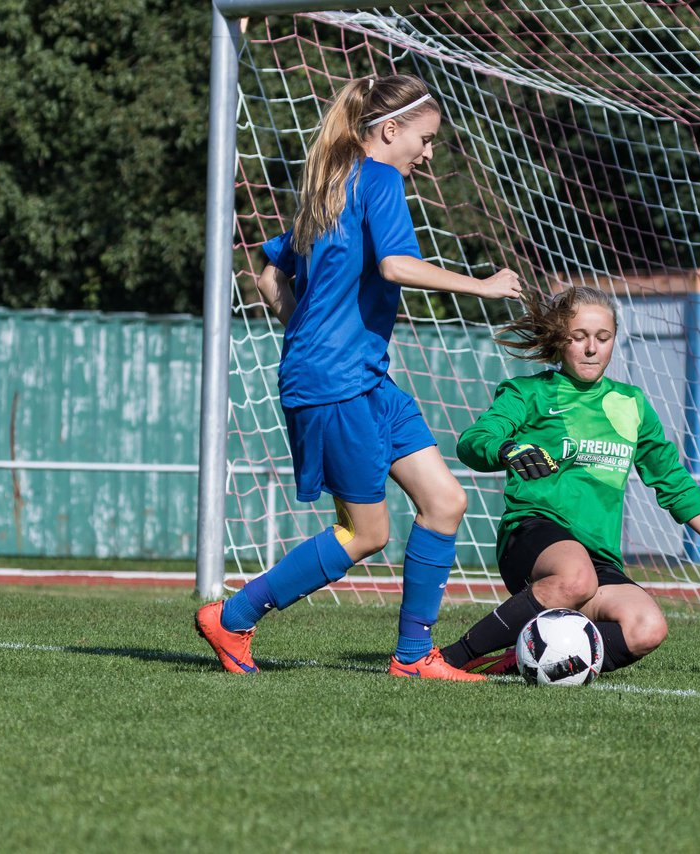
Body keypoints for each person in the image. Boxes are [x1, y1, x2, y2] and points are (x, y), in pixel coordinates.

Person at [195, 74, 521, 681]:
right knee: (365, 531)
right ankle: (234, 617)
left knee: (445, 502)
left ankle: (414, 657)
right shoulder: (378, 179)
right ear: (390, 129)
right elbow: (395, 264)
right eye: (424, 140)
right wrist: (482, 285)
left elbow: (268, 272)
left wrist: (305, 330)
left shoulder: (332, 183)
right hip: (337, 383)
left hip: (364, 377)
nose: (427, 154)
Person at [438, 285, 700, 676]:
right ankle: (448, 659)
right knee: (575, 577)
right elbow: (473, 443)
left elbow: (673, 481)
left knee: (647, 627)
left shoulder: (632, 404)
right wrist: (507, 449)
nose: (592, 348)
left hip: (598, 558)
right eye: (579, 337)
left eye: (603, 338)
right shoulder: (529, 392)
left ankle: (517, 662)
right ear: (560, 340)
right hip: (533, 536)